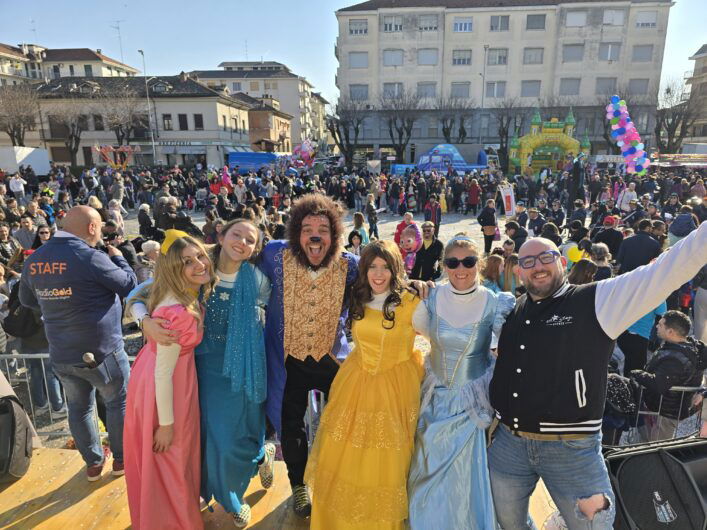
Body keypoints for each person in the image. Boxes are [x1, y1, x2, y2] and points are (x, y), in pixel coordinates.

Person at [488, 222, 707, 529]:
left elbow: (665, 271)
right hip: (510, 445)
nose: (537, 266)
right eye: (528, 262)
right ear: (519, 271)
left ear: (563, 262)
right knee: (507, 523)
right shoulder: (515, 308)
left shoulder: (596, 300)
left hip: (572, 449)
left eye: (546, 258)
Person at [135, 221, 275, 527]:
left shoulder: (259, 279)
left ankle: (261, 455)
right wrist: (144, 321)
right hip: (203, 370)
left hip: (245, 367)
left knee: (244, 433)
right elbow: (139, 293)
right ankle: (231, 499)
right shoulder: (200, 265)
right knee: (215, 441)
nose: (242, 242)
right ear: (221, 236)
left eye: (250, 240)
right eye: (236, 234)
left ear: (256, 249)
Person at [304, 240, 424, 529]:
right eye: (372, 267)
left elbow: (442, 338)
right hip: (356, 382)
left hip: (394, 388)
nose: (379, 274)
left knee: (387, 463)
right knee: (345, 458)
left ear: (395, 270)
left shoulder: (411, 304)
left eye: (385, 267)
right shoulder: (359, 297)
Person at [258, 194, 360, 517]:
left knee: (342, 424)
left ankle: (337, 481)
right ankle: (299, 484)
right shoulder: (275, 256)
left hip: (332, 361)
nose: (314, 235)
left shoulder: (350, 265)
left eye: (323, 229)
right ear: (295, 233)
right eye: (307, 228)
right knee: (291, 427)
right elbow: (231, 259)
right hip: (290, 363)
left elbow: (382, 285)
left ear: (335, 235)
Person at [19, 206, 137, 480]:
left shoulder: (35, 259)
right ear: (93, 228)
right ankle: (121, 460)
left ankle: (93, 464)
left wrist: (56, 303)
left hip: (61, 351)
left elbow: (26, 301)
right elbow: (130, 285)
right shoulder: (90, 257)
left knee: (79, 407)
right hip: (102, 350)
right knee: (118, 402)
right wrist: (119, 258)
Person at [408, 235, 515, 529]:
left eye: (468, 261)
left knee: (467, 473)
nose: (460, 269)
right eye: (453, 262)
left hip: (472, 404)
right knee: (426, 463)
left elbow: (508, 347)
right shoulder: (431, 297)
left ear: (478, 264)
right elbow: (413, 327)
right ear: (445, 265)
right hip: (435, 397)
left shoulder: (495, 302)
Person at [124, 233, 215, 530]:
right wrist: (166, 424)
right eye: (187, 261)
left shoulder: (177, 289)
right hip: (166, 384)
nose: (199, 264)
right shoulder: (175, 311)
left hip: (164, 377)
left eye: (200, 256)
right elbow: (163, 373)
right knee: (171, 455)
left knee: (170, 460)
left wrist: (144, 318)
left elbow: (135, 298)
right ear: (174, 268)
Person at [631, 311, 706, 441]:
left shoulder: (675, 359)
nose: (656, 326)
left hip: (665, 413)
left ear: (671, 332)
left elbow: (659, 384)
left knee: (654, 450)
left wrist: (636, 374)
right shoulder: (686, 346)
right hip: (664, 409)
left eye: (660, 325)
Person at [618, 301, 667, 375]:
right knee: (636, 373)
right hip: (639, 336)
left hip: (622, 333)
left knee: (628, 367)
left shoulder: (634, 289)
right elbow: (663, 314)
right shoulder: (658, 293)